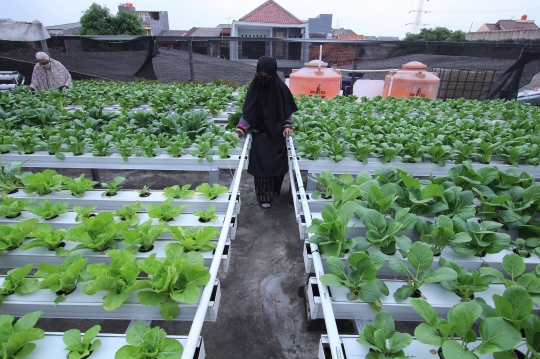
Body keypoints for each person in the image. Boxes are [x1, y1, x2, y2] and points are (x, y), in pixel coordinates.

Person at [233, 56, 298, 209]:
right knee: (262, 168)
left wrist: (287, 125)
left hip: (278, 136)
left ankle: (275, 190)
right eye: (260, 75)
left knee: (279, 165)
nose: (263, 78)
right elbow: (248, 113)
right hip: (261, 136)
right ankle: (263, 196)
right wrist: (240, 129)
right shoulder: (255, 88)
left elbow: (287, 111)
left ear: (273, 73)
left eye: (266, 75)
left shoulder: (281, 88)